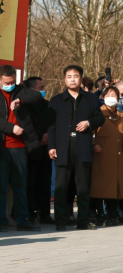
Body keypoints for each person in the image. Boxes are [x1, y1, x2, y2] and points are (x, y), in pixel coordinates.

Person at [0, 65, 42, 232]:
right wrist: (10, 128)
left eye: (12, 82)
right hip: (1, 146)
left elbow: (37, 96)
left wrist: (21, 100)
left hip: (21, 147)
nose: (10, 85)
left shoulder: (21, 90)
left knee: (20, 186)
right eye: (7, 82)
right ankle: (1, 221)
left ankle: (22, 220)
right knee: (0, 186)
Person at [48, 65, 105, 231]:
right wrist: (51, 146)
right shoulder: (56, 100)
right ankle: (60, 221)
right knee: (60, 187)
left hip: (83, 146)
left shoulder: (90, 99)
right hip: (62, 147)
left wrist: (89, 123)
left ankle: (83, 221)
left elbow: (100, 118)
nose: (72, 79)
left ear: (81, 79)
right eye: (69, 76)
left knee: (83, 187)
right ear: (64, 79)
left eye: (76, 76)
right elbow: (51, 126)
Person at [24, 76, 56, 224]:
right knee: (30, 183)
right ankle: (30, 213)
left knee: (45, 183)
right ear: (32, 90)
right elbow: (26, 126)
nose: (44, 90)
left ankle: (45, 213)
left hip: (46, 150)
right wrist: (39, 136)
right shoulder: (24, 107)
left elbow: (52, 122)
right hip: (31, 150)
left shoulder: (48, 105)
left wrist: (48, 135)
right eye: (40, 88)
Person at [90, 86, 123, 226]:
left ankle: (113, 214)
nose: (111, 98)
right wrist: (93, 145)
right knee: (100, 187)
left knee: (116, 187)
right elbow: (87, 133)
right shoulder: (97, 114)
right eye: (108, 94)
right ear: (103, 97)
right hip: (101, 158)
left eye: (114, 95)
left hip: (118, 158)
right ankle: (99, 214)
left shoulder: (121, 116)